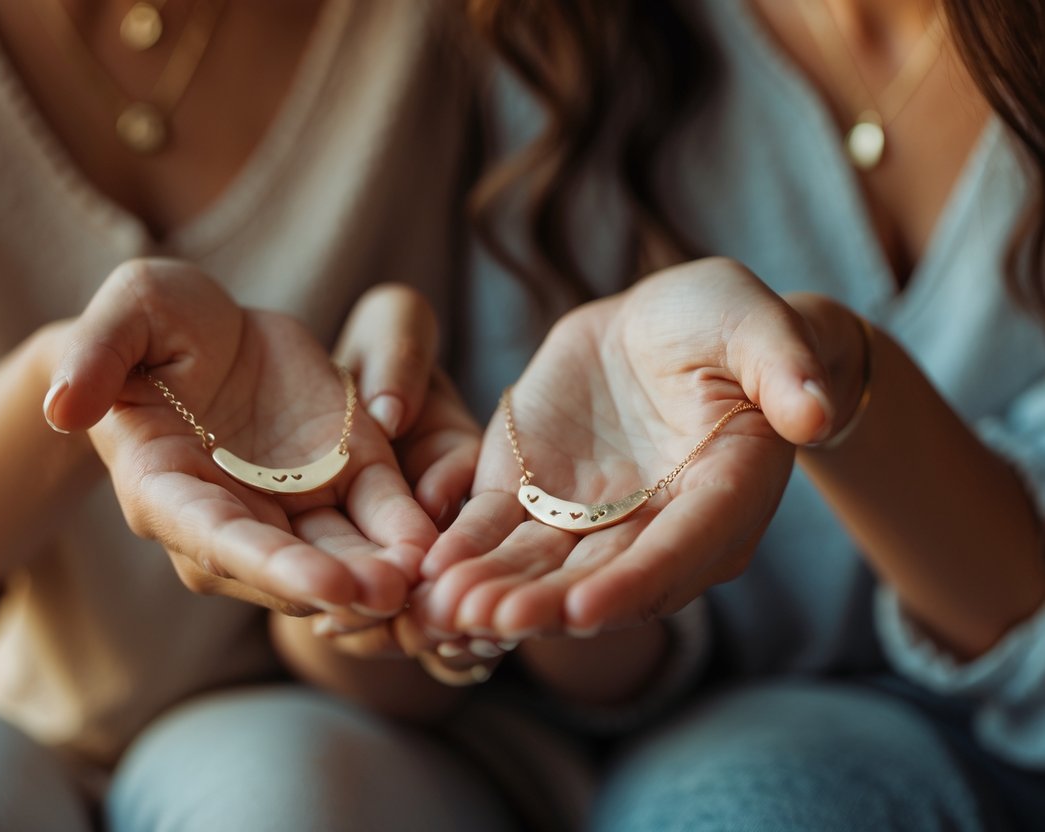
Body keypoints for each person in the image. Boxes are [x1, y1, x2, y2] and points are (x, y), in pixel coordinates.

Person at [0, 1, 553, 829]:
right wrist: (85, 383)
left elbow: (540, 607)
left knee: (284, 799)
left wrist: (375, 587)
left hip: (361, 721)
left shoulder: (468, 25)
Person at [352, 0, 1044, 829]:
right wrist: (535, 598)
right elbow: (599, 646)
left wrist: (834, 370)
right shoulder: (569, 33)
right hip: (709, 744)